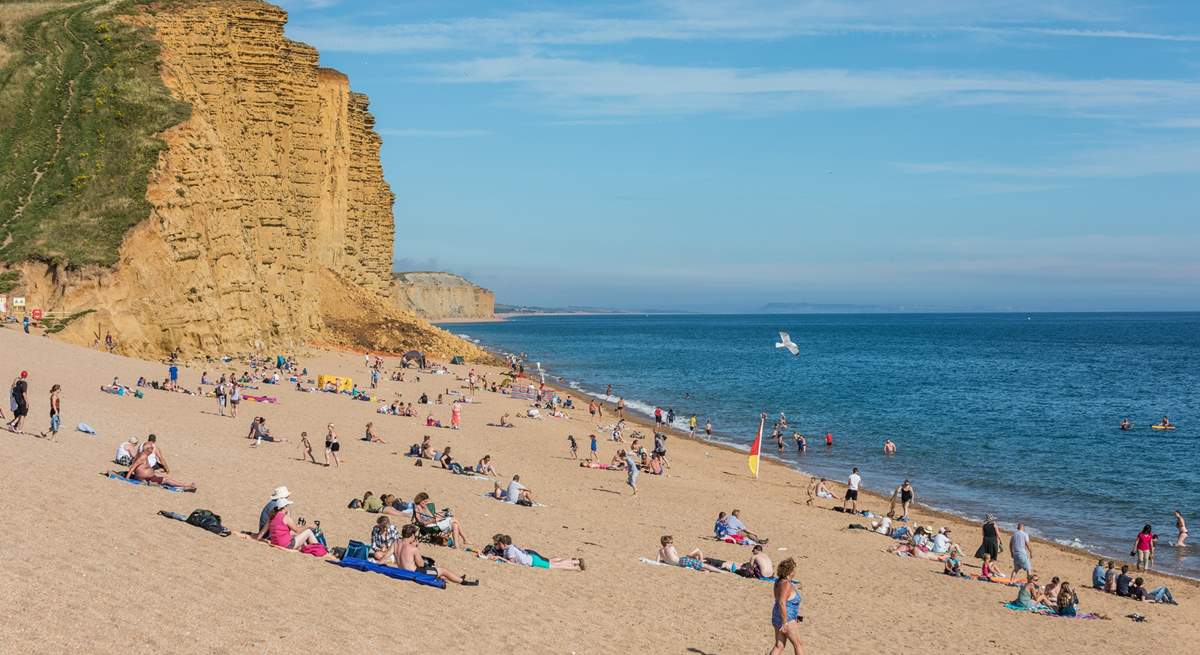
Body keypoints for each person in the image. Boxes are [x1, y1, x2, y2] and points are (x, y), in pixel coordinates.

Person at [397, 524, 478, 585]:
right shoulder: (413, 549)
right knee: (443, 570)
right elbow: (421, 565)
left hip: (402, 570)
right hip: (415, 574)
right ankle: (464, 582)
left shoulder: (396, 544)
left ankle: (457, 578)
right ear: (412, 535)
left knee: (438, 574)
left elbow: (385, 557)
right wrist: (416, 547)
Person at [124, 442, 196, 491]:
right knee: (166, 479)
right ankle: (185, 485)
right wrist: (127, 479)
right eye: (152, 448)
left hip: (147, 476)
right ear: (147, 449)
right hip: (145, 478)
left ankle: (183, 484)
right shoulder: (142, 457)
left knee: (161, 474)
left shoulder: (143, 455)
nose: (153, 449)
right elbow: (132, 467)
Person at [768, 558, 804, 655]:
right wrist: (785, 623)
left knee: (779, 646)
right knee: (798, 644)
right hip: (786, 618)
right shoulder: (786, 584)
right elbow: (782, 603)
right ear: (790, 571)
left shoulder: (778, 581)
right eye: (794, 569)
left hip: (778, 615)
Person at [657, 535, 724, 572]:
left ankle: (705, 567)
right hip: (681, 561)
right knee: (704, 565)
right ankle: (721, 571)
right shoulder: (671, 548)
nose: (672, 544)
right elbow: (677, 557)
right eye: (671, 542)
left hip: (679, 563)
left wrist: (664, 561)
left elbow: (657, 561)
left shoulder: (660, 550)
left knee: (698, 563)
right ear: (667, 543)